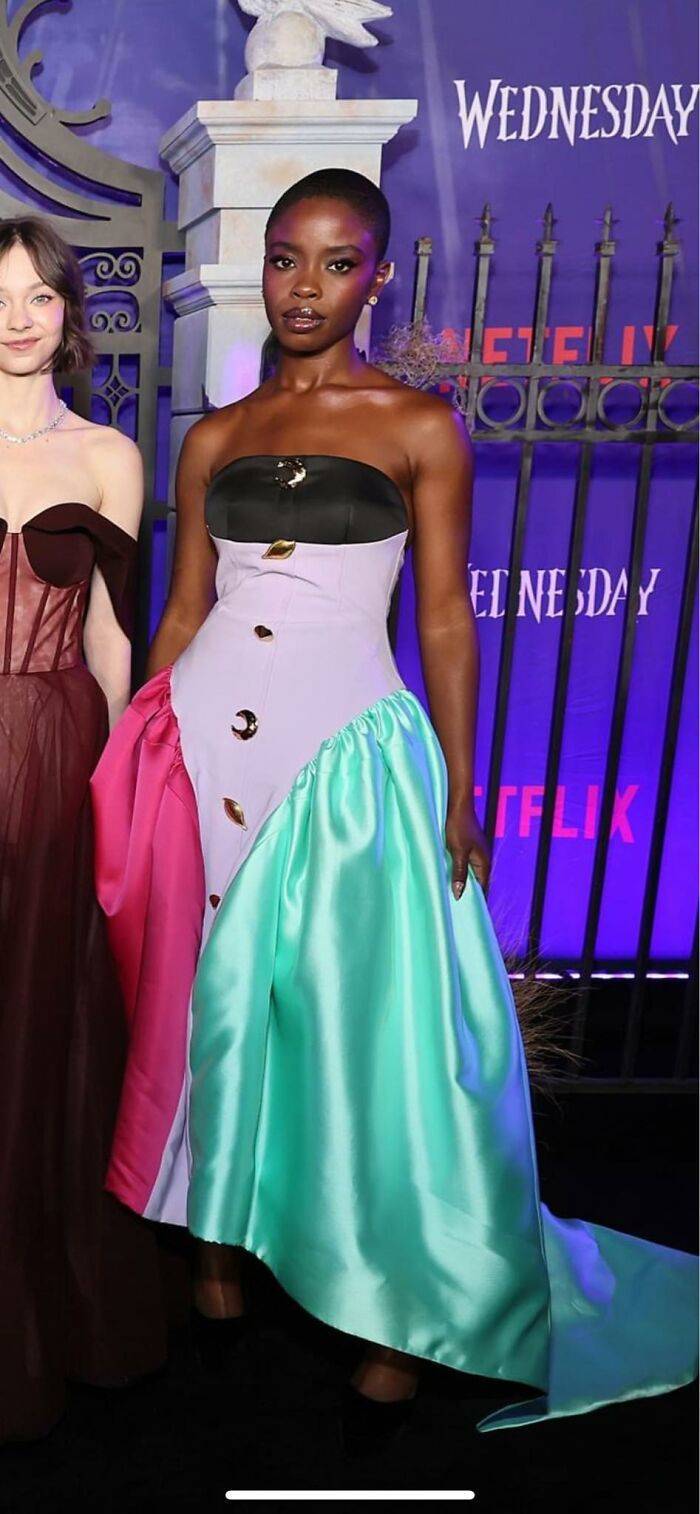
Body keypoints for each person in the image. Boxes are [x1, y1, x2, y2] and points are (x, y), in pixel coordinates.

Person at [91, 170, 697, 1454]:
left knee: (358, 1021)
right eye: (285, 258)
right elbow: (185, 609)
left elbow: (445, 616)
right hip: (202, 745)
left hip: (342, 756)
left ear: (374, 275)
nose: (304, 286)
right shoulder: (215, 432)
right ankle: (216, 1248)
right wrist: (139, 744)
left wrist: (462, 782)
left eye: (335, 261)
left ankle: (396, 1309)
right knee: (205, 993)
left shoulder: (419, 424)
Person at [0, 217, 166, 1443]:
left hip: (58, 751)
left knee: (41, 1012)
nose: (16, 318)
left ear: (69, 311)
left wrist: (117, 783)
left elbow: (112, 633)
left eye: (38, 296)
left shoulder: (109, 454)